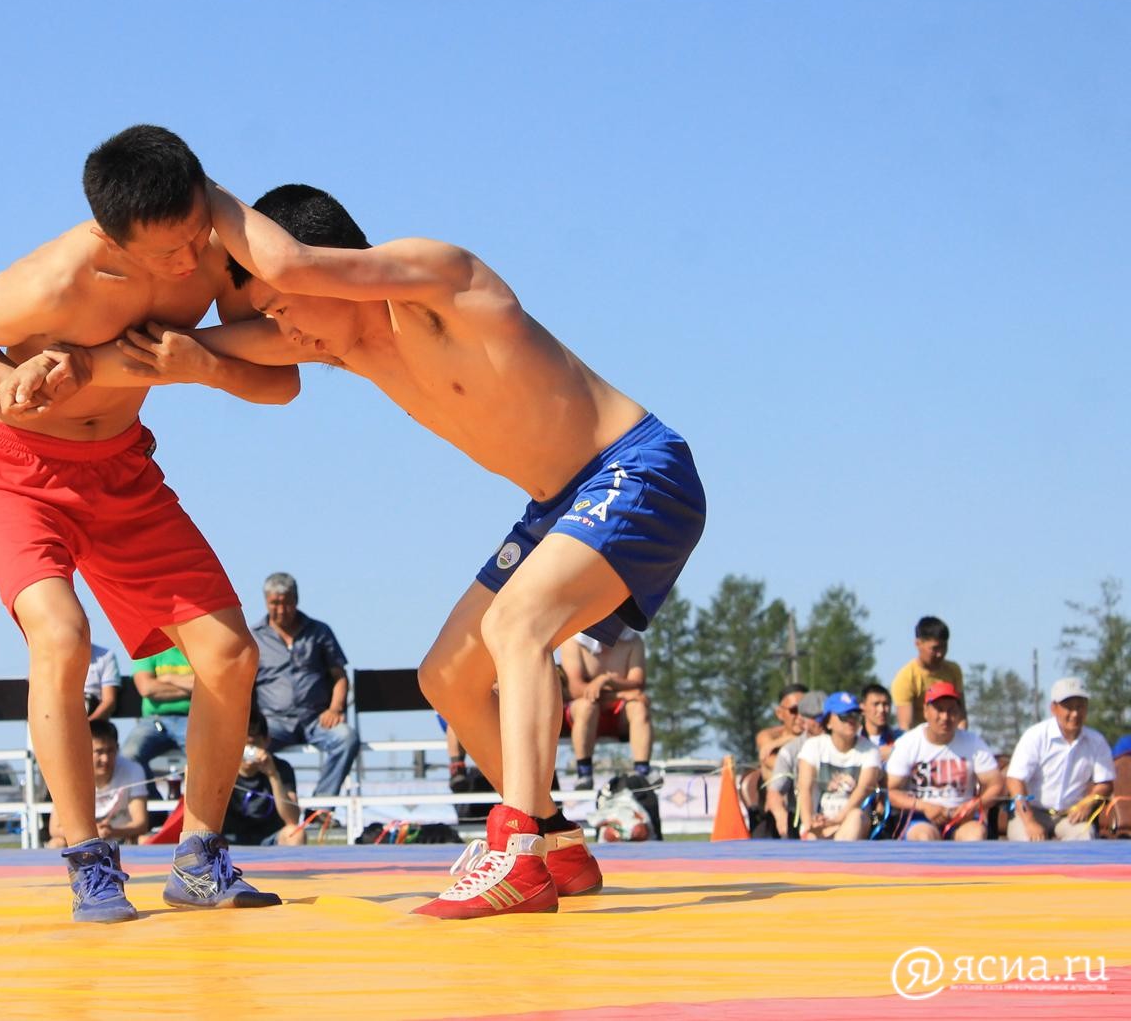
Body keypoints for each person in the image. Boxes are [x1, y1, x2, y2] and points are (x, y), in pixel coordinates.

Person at [100, 179, 705, 919]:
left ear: (323, 269)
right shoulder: (356, 349)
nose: (285, 330)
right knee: (446, 677)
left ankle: (517, 851)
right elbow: (208, 344)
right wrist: (102, 352)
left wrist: (192, 189)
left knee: (517, 624)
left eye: (282, 305)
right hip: (558, 504)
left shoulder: (441, 279)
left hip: (635, 468)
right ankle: (554, 837)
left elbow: (287, 266)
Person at [0, 125, 293, 922]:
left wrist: (206, 363)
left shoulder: (214, 237)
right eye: (166, 253)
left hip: (125, 471)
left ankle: (199, 856)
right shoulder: (58, 280)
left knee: (229, 655)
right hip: (18, 472)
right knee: (59, 635)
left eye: (197, 232)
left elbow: (281, 379)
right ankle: (87, 855)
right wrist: (9, 376)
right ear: (107, 239)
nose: (189, 259)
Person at [250, 573, 359, 799]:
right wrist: (253, 726)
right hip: (273, 723)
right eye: (275, 603)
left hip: (316, 719)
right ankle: (265, 809)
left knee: (347, 738)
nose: (281, 609)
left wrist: (335, 708)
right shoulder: (255, 638)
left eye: (287, 602)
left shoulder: (320, 632)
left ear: (296, 600)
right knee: (246, 751)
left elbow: (340, 676)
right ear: (266, 602)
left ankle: (321, 806)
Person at [885, 682, 1002, 841]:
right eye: (939, 710)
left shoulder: (973, 743)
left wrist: (972, 806)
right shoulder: (908, 743)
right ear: (926, 711)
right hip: (921, 817)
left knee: (976, 835)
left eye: (951, 710)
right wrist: (925, 807)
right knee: (925, 837)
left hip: (962, 818)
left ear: (959, 713)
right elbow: (892, 792)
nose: (945, 717)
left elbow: (996, 785)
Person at [1005, 678, 1115, 841]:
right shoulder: (1035, 736)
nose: (1075, 714)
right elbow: (1014, 781)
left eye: (1080, 706)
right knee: (1027, 841)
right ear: (1054, 708)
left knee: (1085, 836)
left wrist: (1087, 803)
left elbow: (1105, 783)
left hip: (1070, 815)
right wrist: (1029, 822)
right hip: (1032, 811)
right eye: (1068, 707)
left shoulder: (1097, 741)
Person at [557, 629, 652, 790]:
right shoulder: (573, 641)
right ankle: (584, 772)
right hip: (582, 715)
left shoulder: (633, 641)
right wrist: (620, 692)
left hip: (617, 716)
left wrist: (606, 680)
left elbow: (637, 683)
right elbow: (576, 689)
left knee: (639, 707)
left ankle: (642, 772)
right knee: (586, 706)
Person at [794, 692, 881, 840]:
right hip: (818, 824)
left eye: (855, 715)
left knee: (855, 817)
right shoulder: (813, 746)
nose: (851, 721)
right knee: (813, 836)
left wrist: (837, 820)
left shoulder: (870, 749)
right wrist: (810, 822)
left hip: (850, 822)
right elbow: (805, 788)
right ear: (828, 722)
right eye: (844, 716)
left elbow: (864, 789)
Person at [121, 645, 196, 799]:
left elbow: (206, 683)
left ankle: (193, 805)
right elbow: (147, 689)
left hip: (192, 719)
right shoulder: (147, 647)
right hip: (153, 721)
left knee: (203, 755)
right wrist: (191, 689)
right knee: (129, 754)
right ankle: (150, 800)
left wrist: (168, 679)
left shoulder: (197, 646)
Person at [222, 713, 305, 846]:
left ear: (267, 741)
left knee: (295, 834)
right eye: (244, 742)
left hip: (269, 839)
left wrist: (273, 775)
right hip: (229, 840)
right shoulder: (221, 768)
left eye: (254, 743)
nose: (249, 748)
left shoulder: (281, 768)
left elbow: (292, 819)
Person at [766, 690, 826, 839]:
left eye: (824, 716)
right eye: (814, 717)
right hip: (802, 822)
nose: (821, 722)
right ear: (803, 719)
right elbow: (774, 791)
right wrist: (780, 815)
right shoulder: (790, 751)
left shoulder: (845, 744)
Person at [890, 617, 964, 731]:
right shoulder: (905, 678)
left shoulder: (954, 670)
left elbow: (961, 717)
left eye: (944, 647)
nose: (940, 654)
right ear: (918, 643)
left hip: (951, 738)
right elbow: (906, 726)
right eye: (935, 648)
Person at [85, 719, 150, 845]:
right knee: (56, 843)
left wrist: (112, 832)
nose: (105, 759)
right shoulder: (74, 774)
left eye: (110, 751)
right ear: (85, 750)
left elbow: (141, 823)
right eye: (99, 752)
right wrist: (92, 834)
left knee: (145, 840)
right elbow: (55, 828)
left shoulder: (134, 769)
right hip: (84, 841)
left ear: (117, 748)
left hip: (122, 838)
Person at [84, 644, 122, 722]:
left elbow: (109, 701)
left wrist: (87, 724)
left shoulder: (106, 656)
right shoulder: (54, 657)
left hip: (95, 723)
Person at [859, 683, 899, 755]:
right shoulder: (853, 739)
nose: (881, 709)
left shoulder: (901, 739)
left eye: (885, 704)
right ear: (862, 708)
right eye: (876, 704)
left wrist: (895, 752)